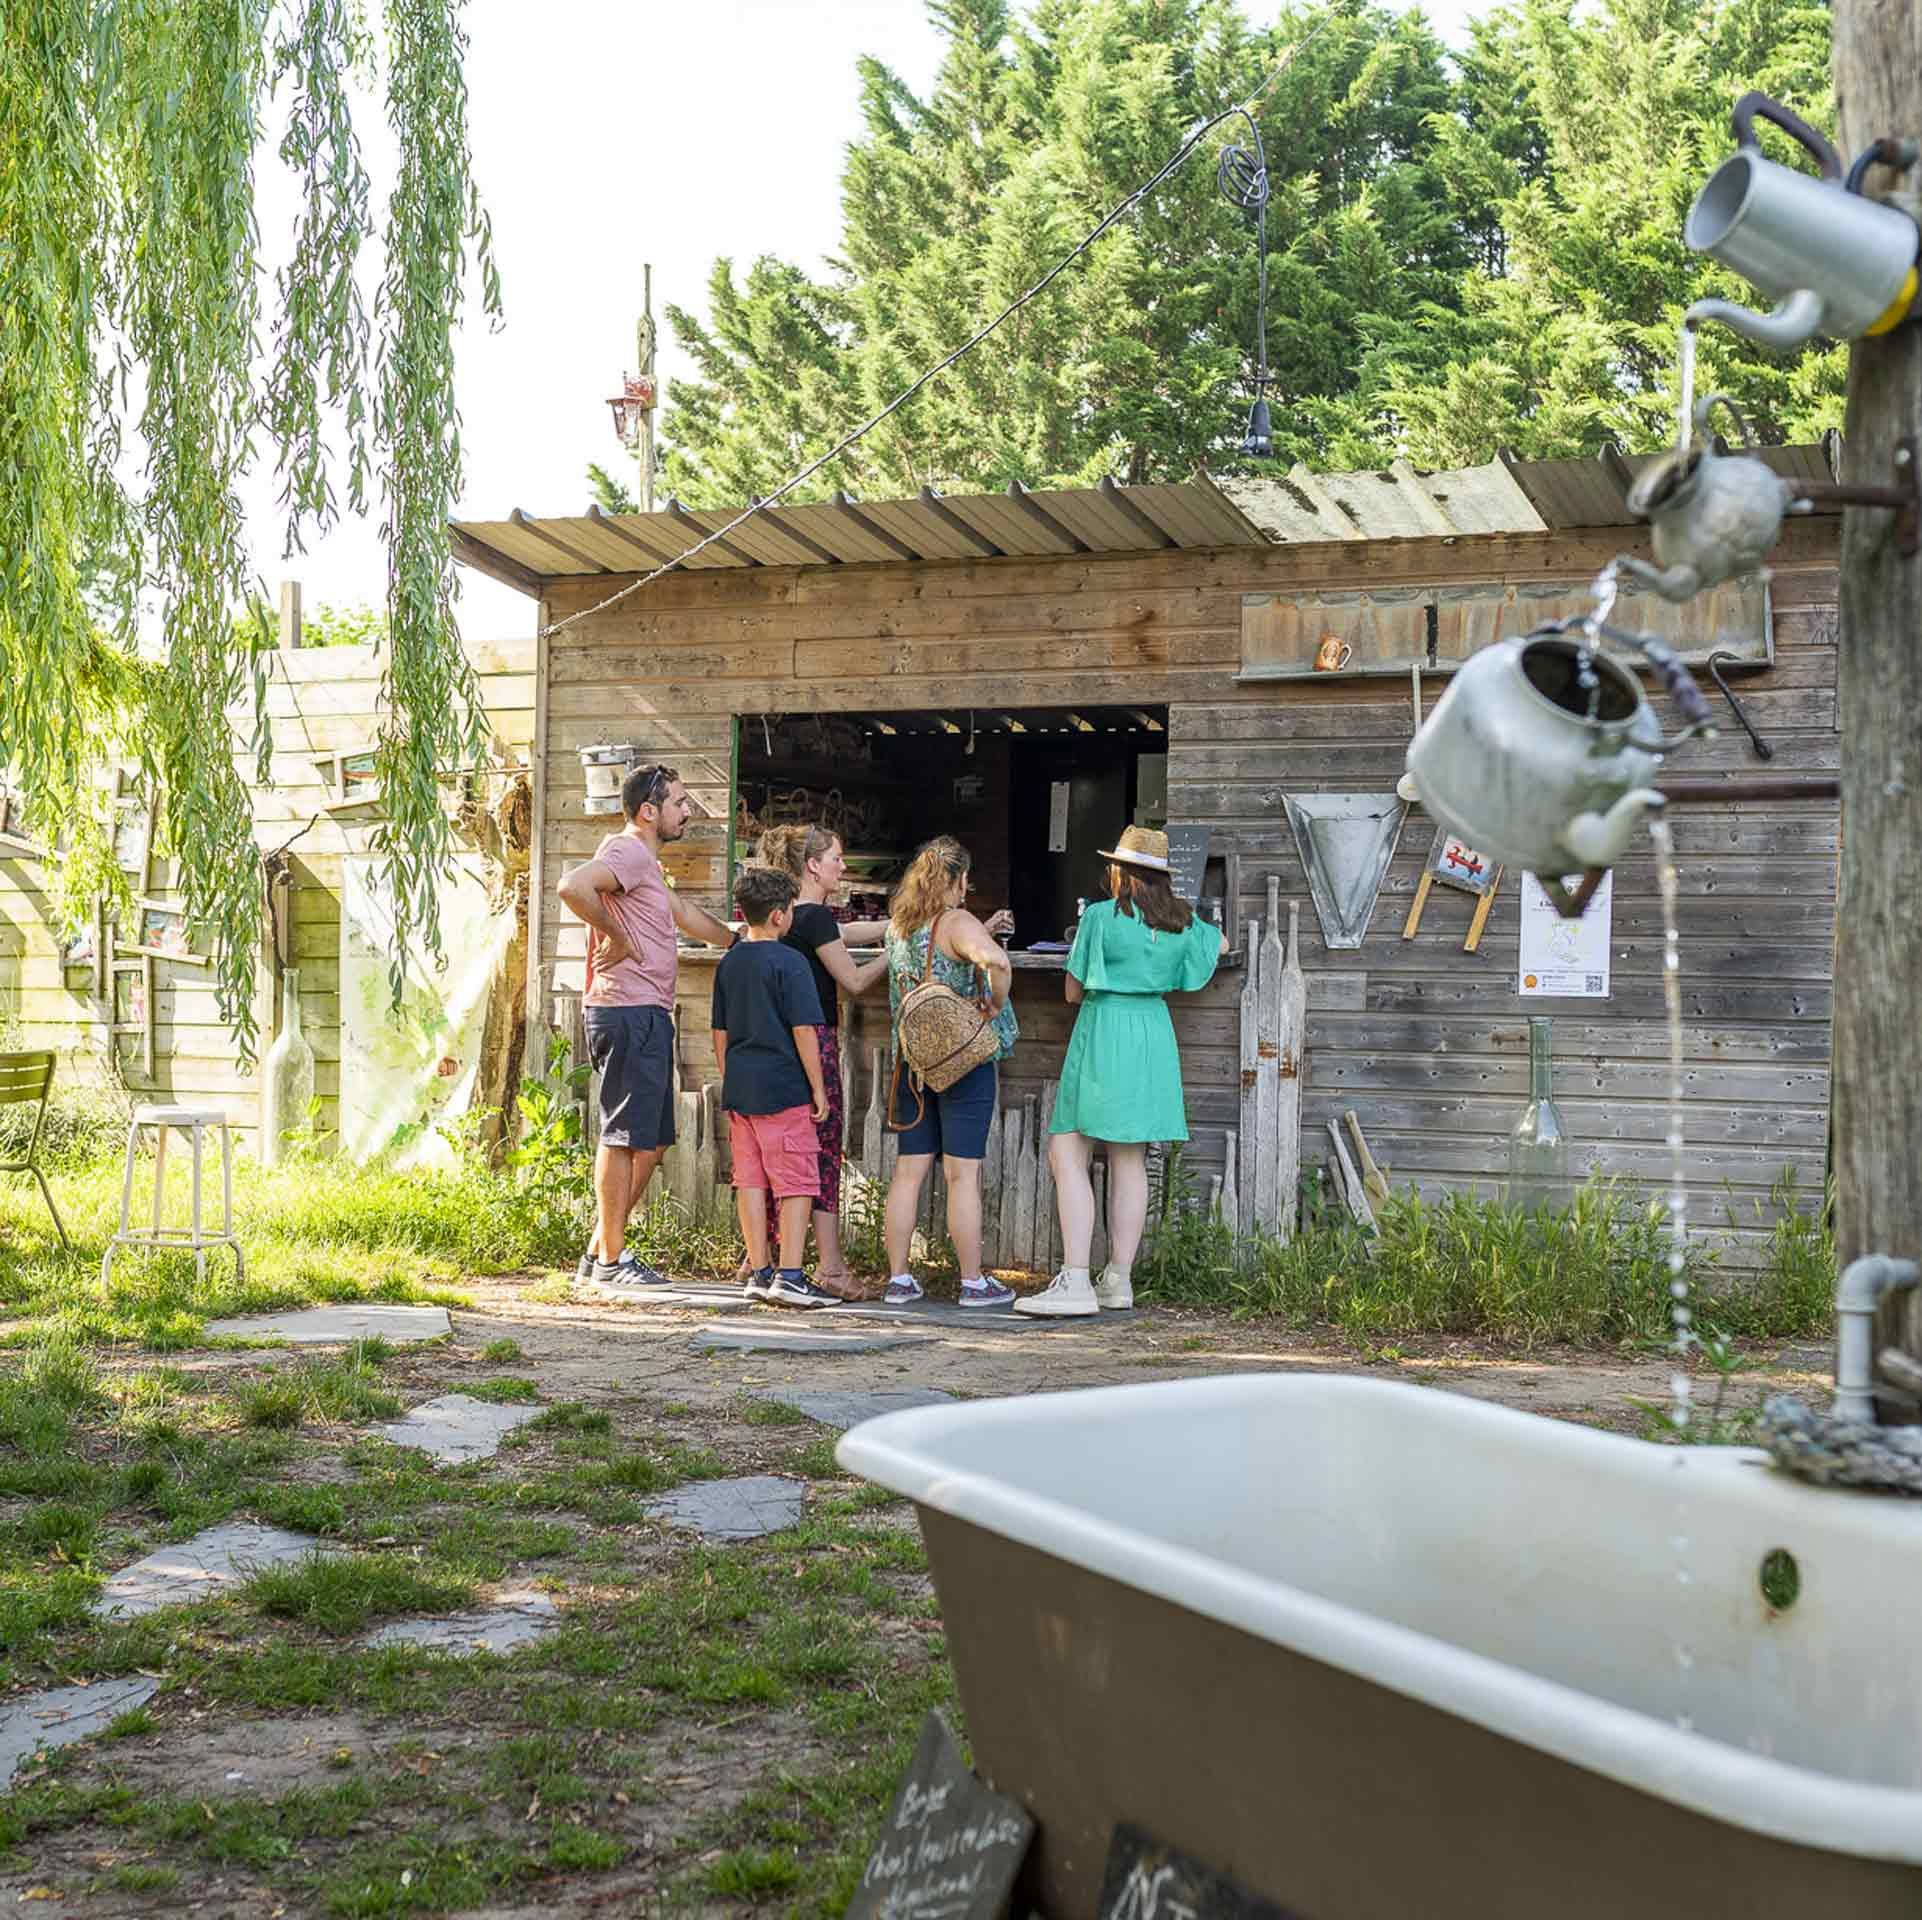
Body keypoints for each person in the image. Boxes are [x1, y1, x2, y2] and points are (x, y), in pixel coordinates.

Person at [1017, 825, 1225, 1318]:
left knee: (1068, 1150)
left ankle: (1075, 1281)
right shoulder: (1183, 922)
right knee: (1129, 1160)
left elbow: (1072, 989)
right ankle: (1119, 1280)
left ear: (1119, 871)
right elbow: (1218, 945)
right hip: (1152, 1031)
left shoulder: (1102, 917)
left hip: (1105, 1028)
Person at [557, 763, 736, 1290]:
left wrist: (737, 941)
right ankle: (612, 1262)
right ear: (648, 811)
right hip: (626, 1009)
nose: (688, 811)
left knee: (653, 1140)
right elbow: (572, 886)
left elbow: (685, 914)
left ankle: (599, 1250)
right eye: (679, 802)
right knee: (621, 1136)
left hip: (649, 1011)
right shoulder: (629, 849)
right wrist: (616, 934)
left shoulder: (648, 868)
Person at [881, 836, 1018, 1308]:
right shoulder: (957, 921)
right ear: (958, 880)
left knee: (908, 1173)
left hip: (913, 1062)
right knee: (962, 1175)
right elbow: (996, 959)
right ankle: (972, 1282)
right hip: (962, 1061)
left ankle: (898, 1280)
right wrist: (994, 1004)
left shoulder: (900, 926)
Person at [754, 825, 891, 1297]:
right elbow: (852, 980)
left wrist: (896, 924)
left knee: (777, 1153)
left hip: (775, 1047)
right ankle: (831, 1269)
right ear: (812, 865)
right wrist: (894, 953)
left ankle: (762, 1263)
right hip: (814, 1042)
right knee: (824, 1150)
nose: (843, 866)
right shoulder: (814, 921)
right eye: (836, 858)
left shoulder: (794, 917)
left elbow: (841, 930)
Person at [712, 867, 841, 1309]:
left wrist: (731, 1077)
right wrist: (819, 1091)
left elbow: (720, 1033)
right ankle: (790, 1274)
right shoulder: (791, 962)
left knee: (750, 1179)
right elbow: (805, 1030)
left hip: (742, 1088)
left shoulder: (729, 961)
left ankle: (759, 1268)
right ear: (780, 915)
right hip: (784, 1087)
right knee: (797, 1180)